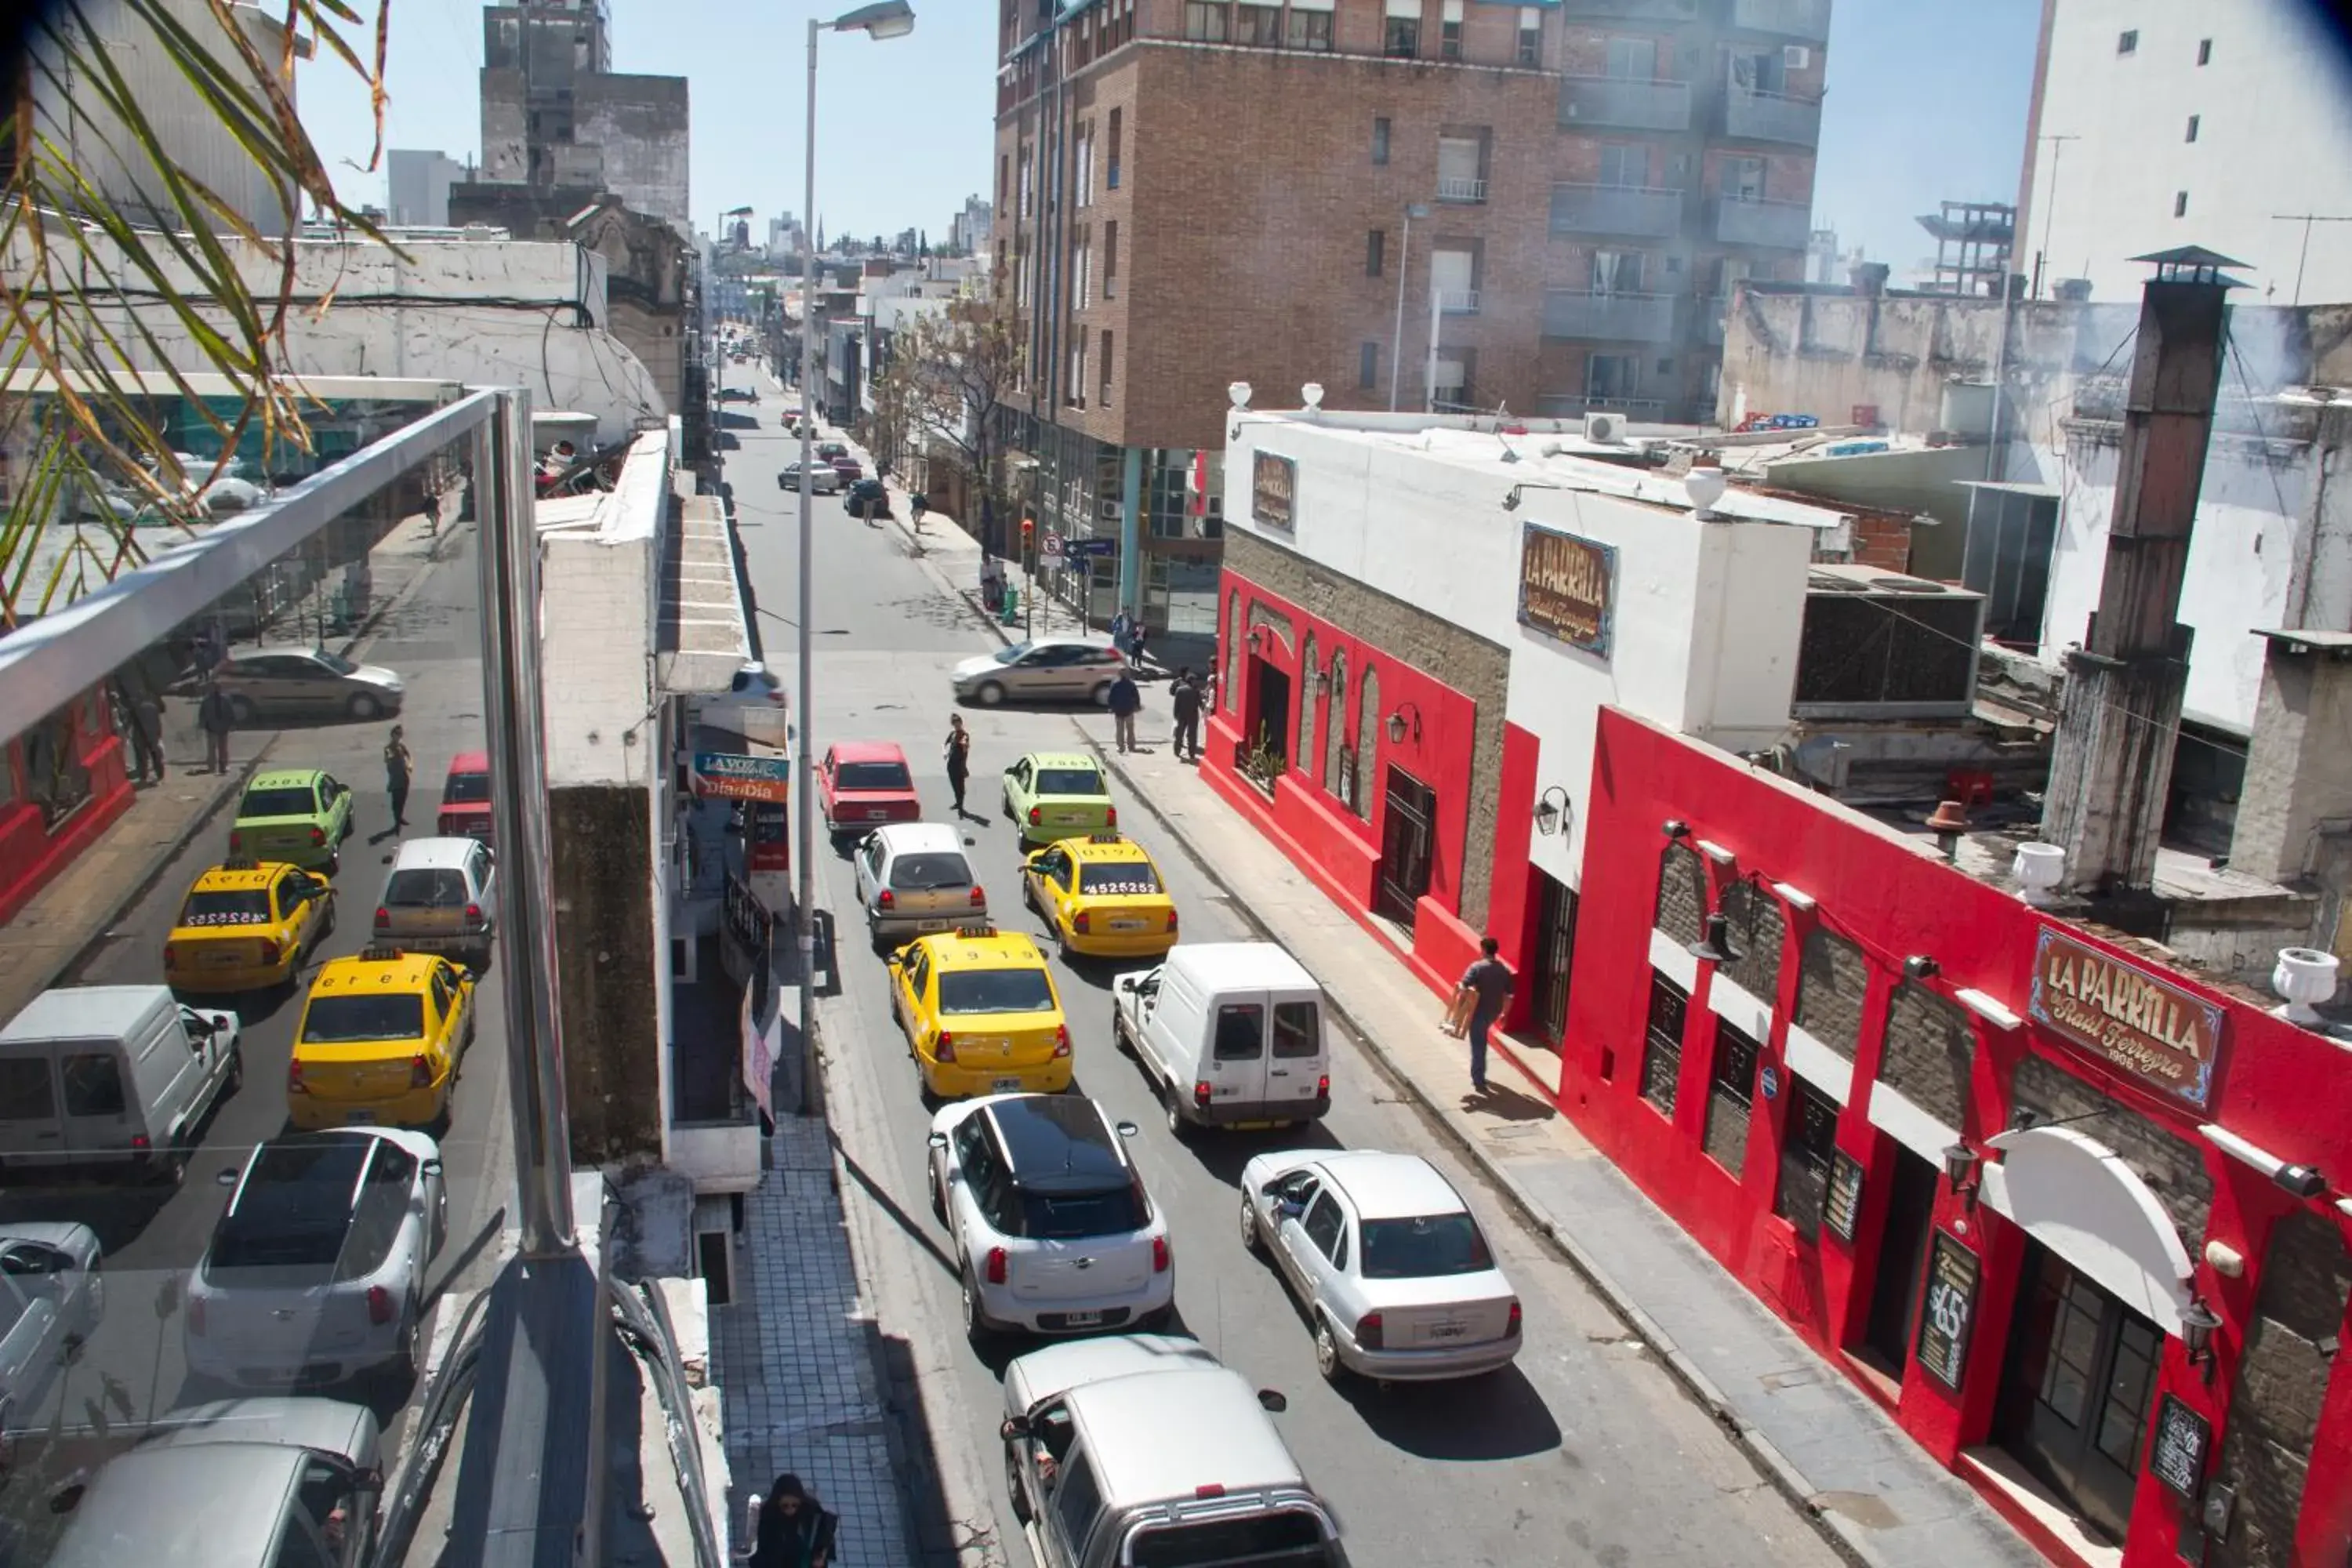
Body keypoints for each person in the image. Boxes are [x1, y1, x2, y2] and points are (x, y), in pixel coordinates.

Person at [1454, 936, 1515, 1096]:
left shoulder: (1477, 967)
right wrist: (1504, 1014)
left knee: (1478, 1043)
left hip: (1478, 1010)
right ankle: (1479, 1074)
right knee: (1480, 1039)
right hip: (1494, 1011)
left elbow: (1464, 984)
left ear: (1483, 949)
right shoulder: (1503, 970)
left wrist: (1460, 991)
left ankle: (1479, 1079)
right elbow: (1510, 995)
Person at [749, 1473, 837, 1568]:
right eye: (785, 1506)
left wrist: (820, 1556)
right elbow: (760, 1550)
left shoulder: (810, 1510)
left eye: (795, 1505)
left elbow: (825, 1532)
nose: (791, 1510)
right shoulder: (768, 1515)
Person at [125, 683, 165, 786]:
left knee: (141, 757)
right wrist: (158, 733)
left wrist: (126, 733)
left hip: (140, 736)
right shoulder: (153, 707)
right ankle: (160, 774)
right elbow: (157, 722)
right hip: (152, 735)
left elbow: (129, 723)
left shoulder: (134, 709)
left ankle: (143, 776)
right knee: (156, 755)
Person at [197, 676, 234, 775]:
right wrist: (202, 724)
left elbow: (230, 712)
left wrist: (230, 724)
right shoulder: (207, 700)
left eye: (217, 687)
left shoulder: (225, 699)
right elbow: (202, 713)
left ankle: (224, 766)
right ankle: (212, 766)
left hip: (223, 727)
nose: (215, 689)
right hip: (211, 727)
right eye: (213, 688)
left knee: (223, 749)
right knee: (211, 748)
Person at [1168, 668, 1203, 764]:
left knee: (1179, 734)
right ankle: (1191, 753)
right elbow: (1200, 704)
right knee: (1192, 736)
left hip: (1181, 715)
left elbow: (1176, 705)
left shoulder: (1180, 690)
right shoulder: (1196, 691)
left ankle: (1177, 751)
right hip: (1193, 716)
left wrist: (1176, 715)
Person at [383, 724, 414, 829]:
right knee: (396, 801)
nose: (400, 736)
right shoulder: (389, 748)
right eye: (397, 734)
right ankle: (397, 821)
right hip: (396, 779)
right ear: (392, 735)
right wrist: (389, 758)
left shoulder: (401, 746)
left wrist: (409, 765)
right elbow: (388, 758)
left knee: (403, 799)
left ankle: (400, 817)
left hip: (404, 776)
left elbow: (408, 755)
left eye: (401, 734)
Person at [1108, 666, 1142, 753]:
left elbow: (1111, 697)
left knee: (1120, 730)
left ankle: (1121, 747)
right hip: (1129, 710)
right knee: (1130, 729)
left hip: (1118, 710)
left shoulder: (1115, 684)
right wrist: (1137, 706)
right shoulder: (1131, 684)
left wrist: (1111, 707)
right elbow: (1136, 696)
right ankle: (1131, 746)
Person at [945, 713, 972, 816]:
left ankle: (961, 806)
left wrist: (965, 745)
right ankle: (958, 802)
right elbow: (945, 744)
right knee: (954, 785)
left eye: (958, 724)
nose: (957, 726)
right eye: (955, 724)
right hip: (951, 764)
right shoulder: (952, 734)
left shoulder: (965, 735)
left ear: (961, 723)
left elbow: (965, 746)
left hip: (960, 765)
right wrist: (945, 752)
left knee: (960, 786)